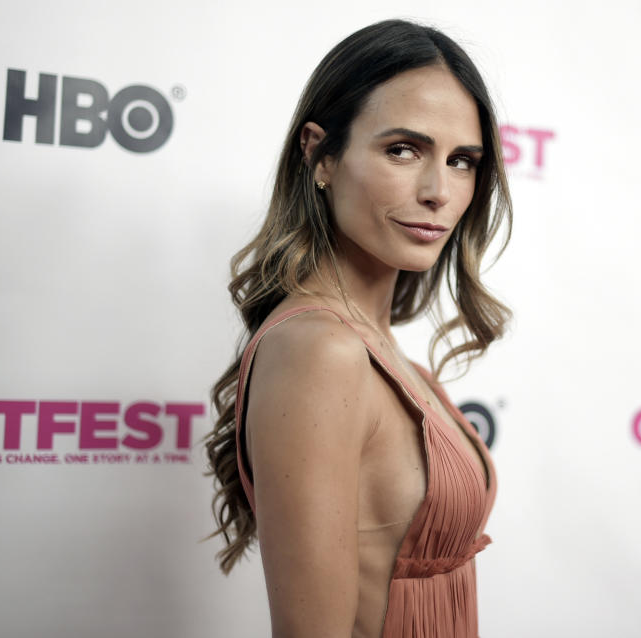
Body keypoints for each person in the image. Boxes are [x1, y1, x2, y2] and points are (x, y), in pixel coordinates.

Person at [205, 18, 512, 637]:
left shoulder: (375, 345)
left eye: (462, 161)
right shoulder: (321, 350)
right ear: (320, 155)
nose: (439, 191)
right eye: (404, 149)